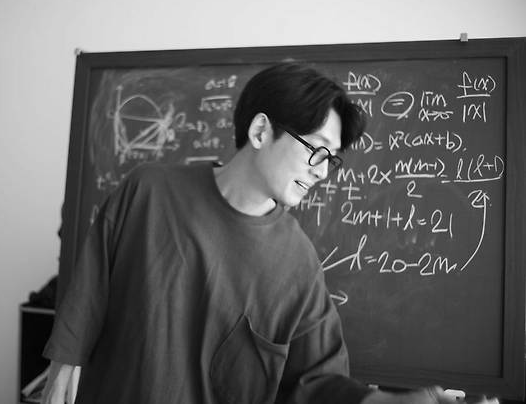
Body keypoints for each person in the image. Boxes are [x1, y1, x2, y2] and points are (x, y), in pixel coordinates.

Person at [41, 63, 498, 404]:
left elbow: (317, 382)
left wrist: (393, 403)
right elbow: (87, 296)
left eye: (332, 159)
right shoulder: (148, 192)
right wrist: (63, 366)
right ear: (261, 130)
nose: (322, 172)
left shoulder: (297, 262)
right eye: (316, 150)